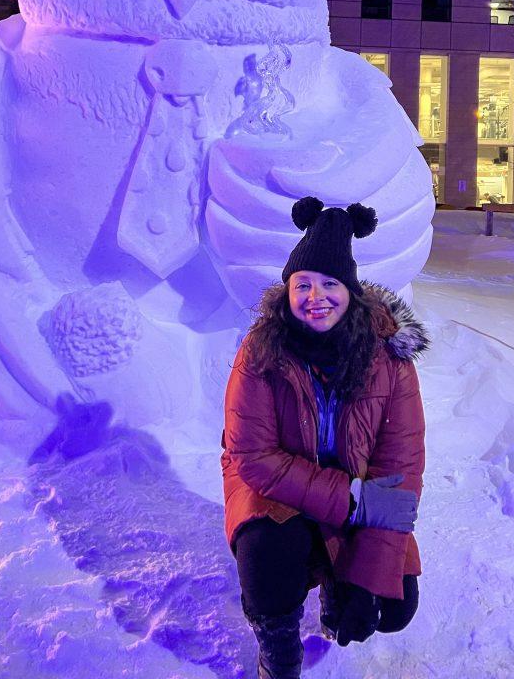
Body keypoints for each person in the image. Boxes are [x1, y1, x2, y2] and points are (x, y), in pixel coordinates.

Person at [221, 197, 427, 678]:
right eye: (304, 284)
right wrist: (354, 502)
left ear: (351, 291)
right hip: (275, 489)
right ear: (288, 289)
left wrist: (365, 576)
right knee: (268, 561)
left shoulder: (390, 360)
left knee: (393, 607)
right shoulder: (261, 349)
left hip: (361, 492)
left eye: (331, 283)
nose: (317, 296)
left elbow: (400, 473)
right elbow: (251, 456)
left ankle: (339, 578)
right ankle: (278, 653)